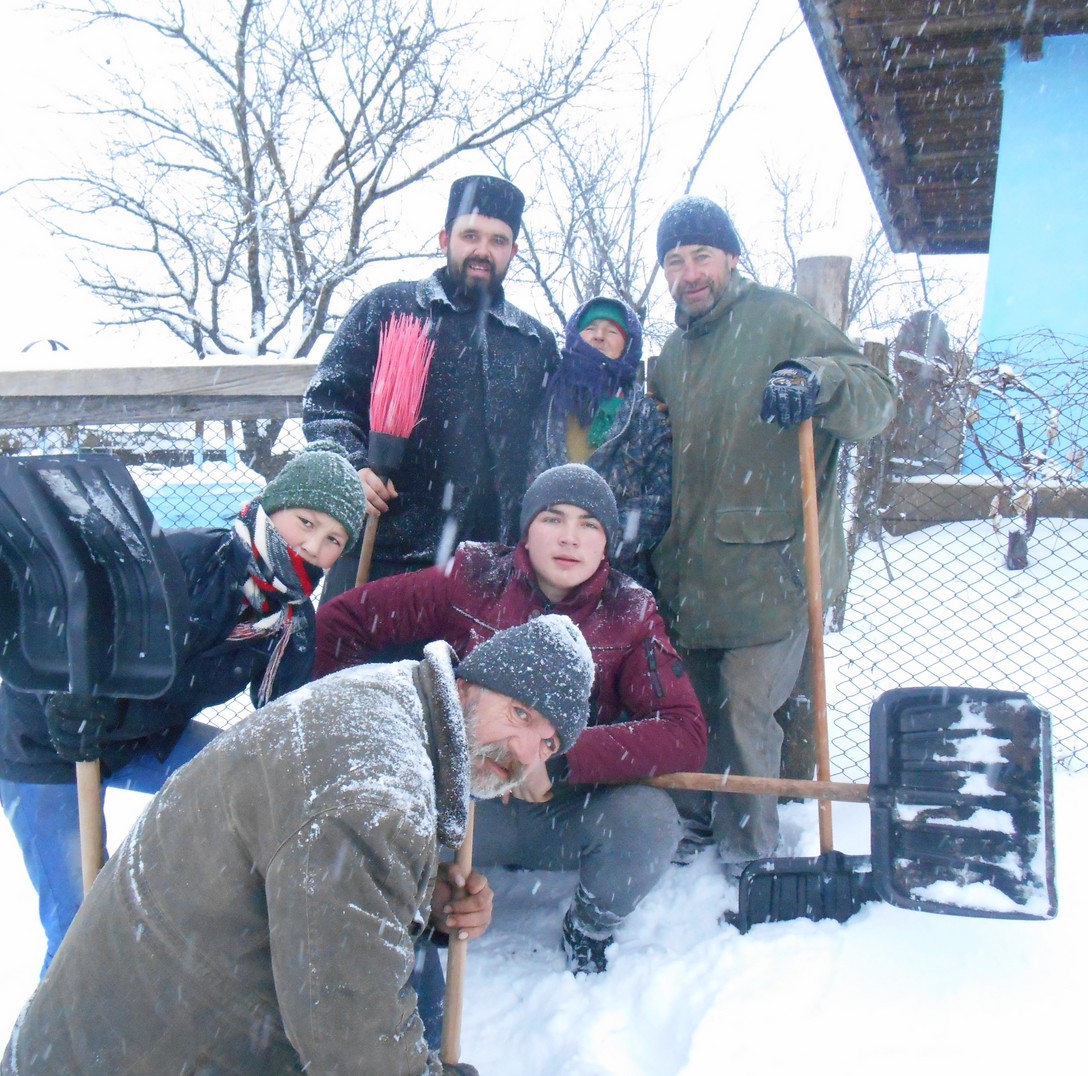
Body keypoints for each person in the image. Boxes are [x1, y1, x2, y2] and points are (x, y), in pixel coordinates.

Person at [1, 617, 596, 1076]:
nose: (524, 752)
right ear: (467, 687)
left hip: (113, 1031)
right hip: (137, 1051)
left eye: (548, 744)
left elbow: (319, 872)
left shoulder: (390, 698)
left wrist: (422, 895)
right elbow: (352, 1040)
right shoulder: (377, 791)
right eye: (519, 713)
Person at [0, 440, 367, 974]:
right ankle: (58, 1021)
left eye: (333, 540)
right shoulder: (181, 564)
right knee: (79, 926)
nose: (312, 545)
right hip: (49, 744)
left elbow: (281, 728)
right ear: (272, 506)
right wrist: (63, 702)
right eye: (306, 522)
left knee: (250, 778)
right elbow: (66, 628)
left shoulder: (289, 622)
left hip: (147, 738)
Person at [316, 463, 706, 974]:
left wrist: (558, 761)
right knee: (371, 823)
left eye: (589, 525)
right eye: (553, 518)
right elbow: (342, 622)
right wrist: (359, 730)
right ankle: (415, 914)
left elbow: (684, 731)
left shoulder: (631, 612)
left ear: (607, 543)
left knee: (650, 823)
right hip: (464, 809)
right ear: (527, 529)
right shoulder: (474, 577)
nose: (569, 538)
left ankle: (590, 926)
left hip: (561, 810)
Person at [647, 196, 897, 881]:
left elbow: (876, 397)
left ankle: (750, 850)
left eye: (701, 256)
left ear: (731, 258)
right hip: (689, 568)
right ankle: (691, 820)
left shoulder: (782, 320)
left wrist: (816, 377)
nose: (688, 273)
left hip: (771, 568)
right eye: (674, 261)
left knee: (745, 709)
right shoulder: (673, 354)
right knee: (688, 706)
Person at [303, 174, 561, 600]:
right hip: (380, 555)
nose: (482, 250)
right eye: (470, 235)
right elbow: (326, 403)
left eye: (498, 240)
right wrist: (352, 467)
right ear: (445, 239)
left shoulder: (533, 343)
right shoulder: (390, 309)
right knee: (350, 648)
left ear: (513, 252)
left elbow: (551, 445)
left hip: (486, 572)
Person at [531, 295, 672, 589]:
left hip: (616, 580)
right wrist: (548, 535)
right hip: (541, 573)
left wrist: (597, 542)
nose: (599, 335)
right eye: (590, 327)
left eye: (612, 330)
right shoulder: (543, 402)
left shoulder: (646, 415)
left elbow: (658, 503)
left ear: (627, 344)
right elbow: (524, 478)